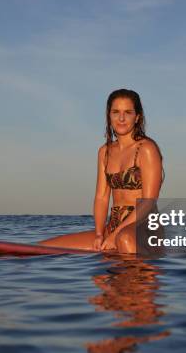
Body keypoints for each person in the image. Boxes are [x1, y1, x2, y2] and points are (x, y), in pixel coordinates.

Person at [39, 89, 164, 254]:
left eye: (128, 112)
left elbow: (148, 202)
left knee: (124, 239)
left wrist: (117, 234)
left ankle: (134, 277)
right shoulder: (104, 152)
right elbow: (101, 197)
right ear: (109, 116)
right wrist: (99, 234)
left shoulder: (146, 149)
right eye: (115, 112)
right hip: (113, 226)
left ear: (137, 117)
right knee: (43, 247)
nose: (121, 118)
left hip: (144, 226)